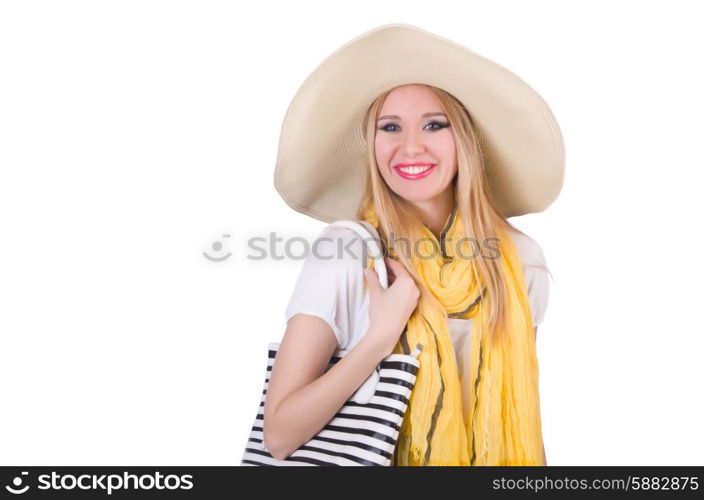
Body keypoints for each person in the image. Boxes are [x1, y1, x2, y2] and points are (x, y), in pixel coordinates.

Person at [261, 24, 564, 466]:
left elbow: (519, 416)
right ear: (373, 144)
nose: (410, 147)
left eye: (434, 125)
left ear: (466, 141)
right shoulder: (347, 252)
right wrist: (380, 336)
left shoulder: (520, 260)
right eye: (390, 127)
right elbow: (279, 435)